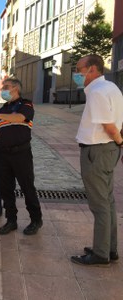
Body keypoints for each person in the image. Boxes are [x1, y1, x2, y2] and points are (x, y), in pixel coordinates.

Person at [70, 54, 122, 267]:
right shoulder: (112, 88)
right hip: (106, 151)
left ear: (92, 69)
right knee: (107, 201)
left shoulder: (98, 93)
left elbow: (109, 126)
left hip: (97, 151)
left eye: (79, 69)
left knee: (99, 204)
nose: (77, 73)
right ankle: (109, 248)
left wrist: (119, 142)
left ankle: (101, 253)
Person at [0, 78, 43, 235]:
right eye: (2, 88)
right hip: (4, 153)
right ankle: (11, 220)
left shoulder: (25, 105)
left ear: (16, 89)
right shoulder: (4, 109)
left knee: (27, 187)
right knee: (6, 189)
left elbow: (20, 118)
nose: (3, 90)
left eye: (6, 87)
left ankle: (36, 219)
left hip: (21, 153)